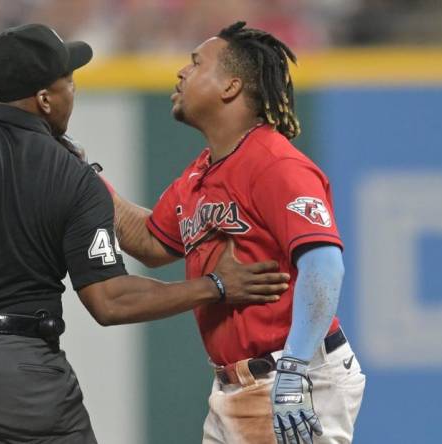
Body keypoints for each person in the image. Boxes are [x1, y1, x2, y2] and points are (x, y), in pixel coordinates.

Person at [0, 23, 292, 443]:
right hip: (24, 383)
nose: (71, 93)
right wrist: (215, 287)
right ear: (45, 99)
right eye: (68, 83)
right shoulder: (73, 177)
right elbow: (110, 301)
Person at [110, 21, 365, 444]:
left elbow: (324, 264)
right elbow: (152, 243)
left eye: (196, 63)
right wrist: (84, 177)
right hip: (236, 386)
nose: (182, 73)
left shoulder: (274, 162)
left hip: (290, 374)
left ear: (231, 86)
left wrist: (295, 368)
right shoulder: (200, 173)